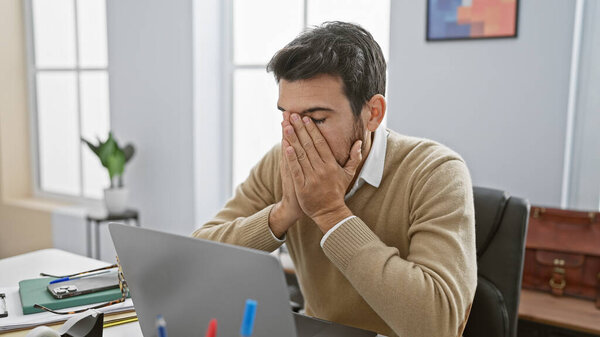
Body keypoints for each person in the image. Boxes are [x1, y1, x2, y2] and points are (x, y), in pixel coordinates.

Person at [192, 21, 476, 337]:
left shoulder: (436, 172)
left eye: (316, 119)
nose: (295, 136)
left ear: (373, 113)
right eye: (287, 117)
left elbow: (438, 325)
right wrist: (283, 214)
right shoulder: (281, 162)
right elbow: (198, 258)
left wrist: (330, 213)